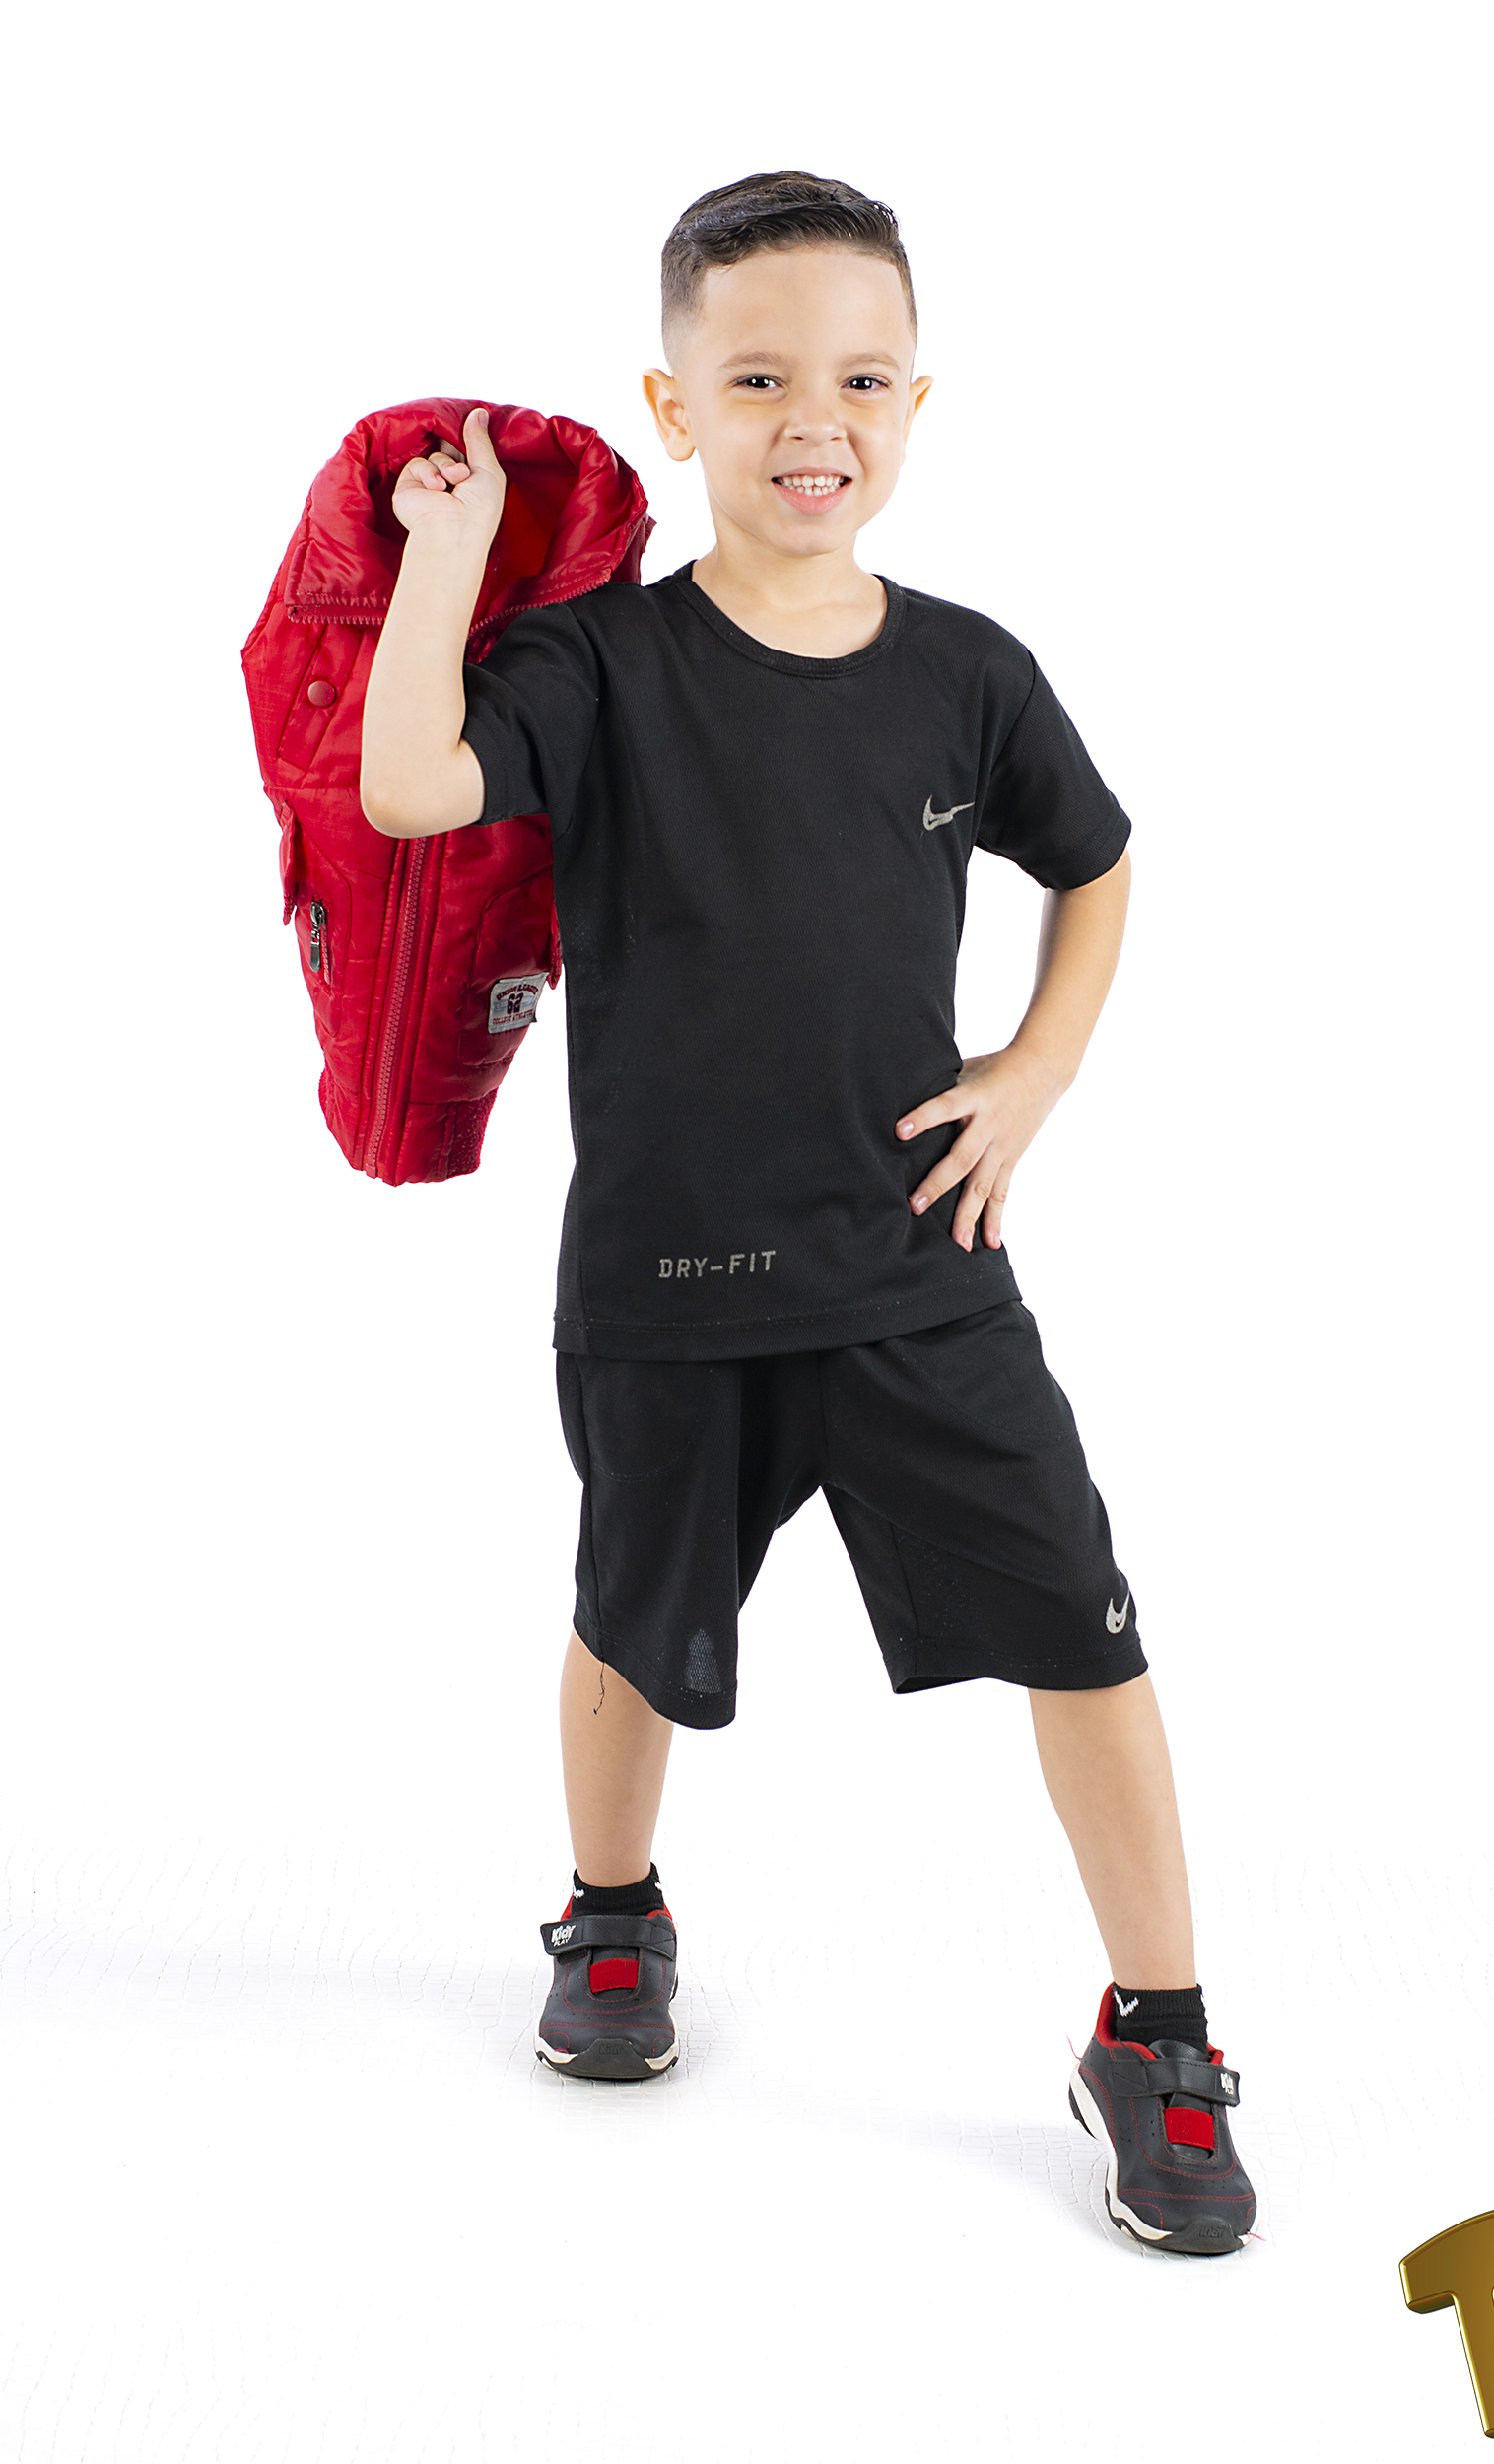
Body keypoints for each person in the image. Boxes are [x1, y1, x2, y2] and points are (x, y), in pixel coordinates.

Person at [358, 171, 1256, 2256]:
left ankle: (1162, 2032)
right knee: (632, 1621)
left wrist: (1036, 1071)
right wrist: (447, 560)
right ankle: (609, 1915)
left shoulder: (968, 673)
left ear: (916, 404)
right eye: (757, 380)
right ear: (674, 407)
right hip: (665, 1275)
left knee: (1086, 1624)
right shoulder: (597, 666)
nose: (812, 420)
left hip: (917, 1266)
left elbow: (1097, 862)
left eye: (859, 379)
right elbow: (410, 785)